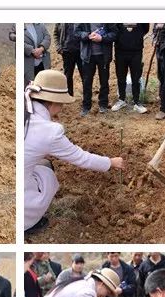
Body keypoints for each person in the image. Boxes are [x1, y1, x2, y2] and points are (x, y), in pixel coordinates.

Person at [24, 69, 125, 233]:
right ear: (54, 102)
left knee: (43, 164)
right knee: (46, 172)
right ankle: (28, 221)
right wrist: (111, 162)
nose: (62, 108)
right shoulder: (49, 131)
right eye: (62, 103)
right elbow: (81, 158)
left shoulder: (24, 109)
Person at [74, 23, 118, 116]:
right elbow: (76, 32)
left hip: (104, 55)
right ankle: (86, 106)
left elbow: (114, 33)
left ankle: (103, 104)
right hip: (88, 56)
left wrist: (102, 38)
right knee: (87, 82)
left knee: (104, 81)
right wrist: (87, 35)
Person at [111, 23, 149, 114]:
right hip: (120, 50)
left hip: (136, 51)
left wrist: (136, 36)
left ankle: (137, 102)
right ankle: (121, 100)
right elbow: (114, 28)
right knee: (121, 77)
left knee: (136, 78)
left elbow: (145, 28)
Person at [53, 23, 83, 97]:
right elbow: (55, 34)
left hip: (81, 51)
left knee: (85, 75)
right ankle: (69, 95)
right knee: (68, 75)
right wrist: (59, 48)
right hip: (67, 52)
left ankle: (86, 97)